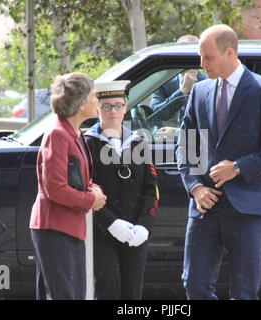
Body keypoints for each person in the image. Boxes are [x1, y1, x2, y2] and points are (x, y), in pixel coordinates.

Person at [176, 25, 261, 300]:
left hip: (247, 204)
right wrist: (194, 187)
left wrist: (238, 167)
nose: (202, 64)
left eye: (208, 57)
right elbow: (187, 144)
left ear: (229, 53)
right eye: (200, 57)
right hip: (205, 204)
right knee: (194, 285)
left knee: (244, 291)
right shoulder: (200, 91)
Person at [29, 72, 107, 300]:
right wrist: (90, 200)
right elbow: (55, 188)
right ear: (82, 102)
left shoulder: (73, 132)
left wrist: (92, 188)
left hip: (69, 228)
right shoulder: (58, 134)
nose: (97, 101)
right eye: (94, 96)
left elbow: (75, 176)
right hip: (54, 228)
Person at [85, 80, 159, 300]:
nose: (113, 111)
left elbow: (151, 189)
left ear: (126, 108)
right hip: (101, 233)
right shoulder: (87, 144)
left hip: (136, 231)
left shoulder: (137, 143)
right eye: (106, 106)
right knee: (107, 291)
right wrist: (110, 223)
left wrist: (144, 226)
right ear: (97, 108)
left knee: (132, 294)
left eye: (118, 105)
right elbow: (85, 190)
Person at [149, 35, 207, 122]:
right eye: (185, 53)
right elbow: (155, 115)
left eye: (194, 53)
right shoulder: (163, 82)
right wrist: (182, 91)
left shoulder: (209, 82)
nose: (189, 58)